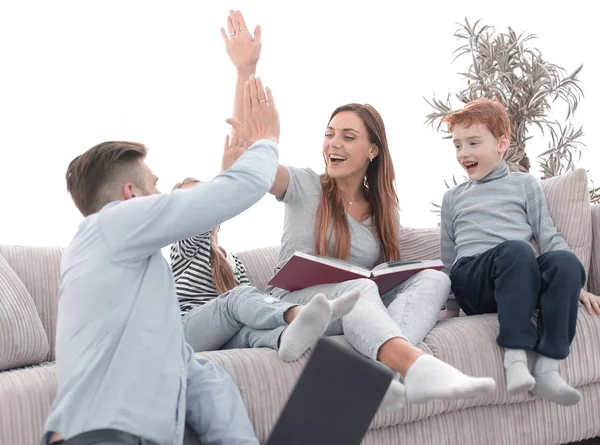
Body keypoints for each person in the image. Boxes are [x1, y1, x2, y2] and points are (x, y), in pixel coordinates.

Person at [220, 10, 496, 406]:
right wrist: (245, 70)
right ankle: (414, 366)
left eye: (348, 137)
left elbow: (385, 278)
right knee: (358, 288)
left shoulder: (384, 211)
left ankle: (382, 374)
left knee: (436, 280)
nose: (333, 143)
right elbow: (248, 162)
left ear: (372, 151)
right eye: (329, 134)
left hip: (351, 307)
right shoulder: (302, 185)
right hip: (295, 308)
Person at [43, 77, 281, 445]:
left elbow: (193, 371)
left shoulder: (126, 269)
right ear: (132, 194)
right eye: (155, 186)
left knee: (206, 372)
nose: (160, 195)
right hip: (100, 436)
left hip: (120, 433)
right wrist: (266, 141)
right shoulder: (111, 224)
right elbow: (230, 195)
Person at [439, 97, 600, 406]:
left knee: (563, 262)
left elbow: (548, 235)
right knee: (515, 251)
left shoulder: (525, 184)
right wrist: (449, 307)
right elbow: (448, 257)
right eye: (458, 145)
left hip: (518, 275)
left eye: (473, 143)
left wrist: (579, 287)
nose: (464, 153)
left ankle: (548, 369)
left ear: (502, 143)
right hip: (474, 279)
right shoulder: (453, 197)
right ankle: (514, 359)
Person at [170, 176, 359, 361]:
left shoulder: (230, 259)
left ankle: (287, 339)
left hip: (217, 334)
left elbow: (249, 301)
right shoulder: (182, 245)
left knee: (249, 330)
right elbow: (200, 219)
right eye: (192, 197)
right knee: (236, 296)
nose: (201, 199)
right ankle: (299, 313)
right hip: (186, 331)